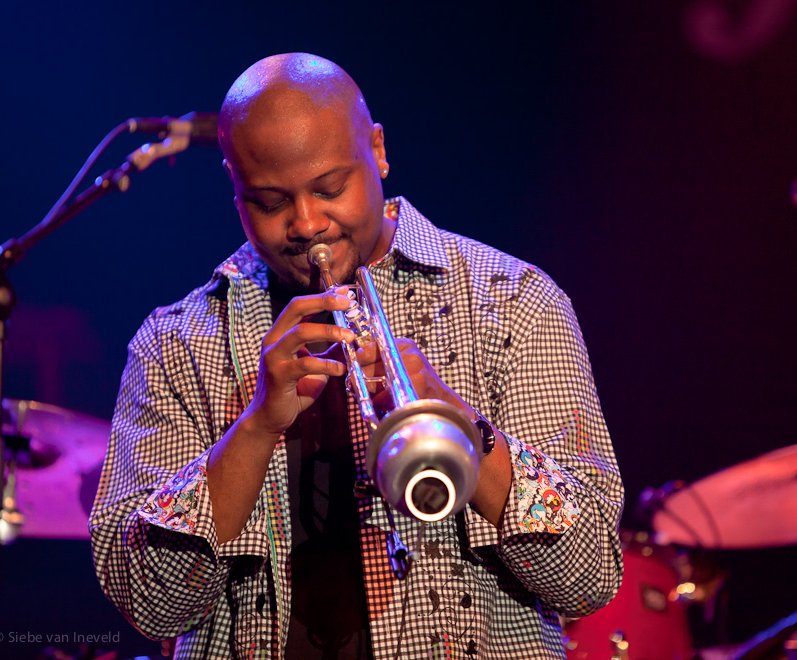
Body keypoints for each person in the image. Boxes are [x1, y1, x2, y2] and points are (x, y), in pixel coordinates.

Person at [90, 53, 624, 660]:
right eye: (269, 202)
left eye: (329, 188)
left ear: (378, 150)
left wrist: (452, 419)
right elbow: (148, 603)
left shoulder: (513, 301)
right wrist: (258, 423)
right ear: (234, 188)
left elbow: (590, 576)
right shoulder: (177, 341)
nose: (307, 223)